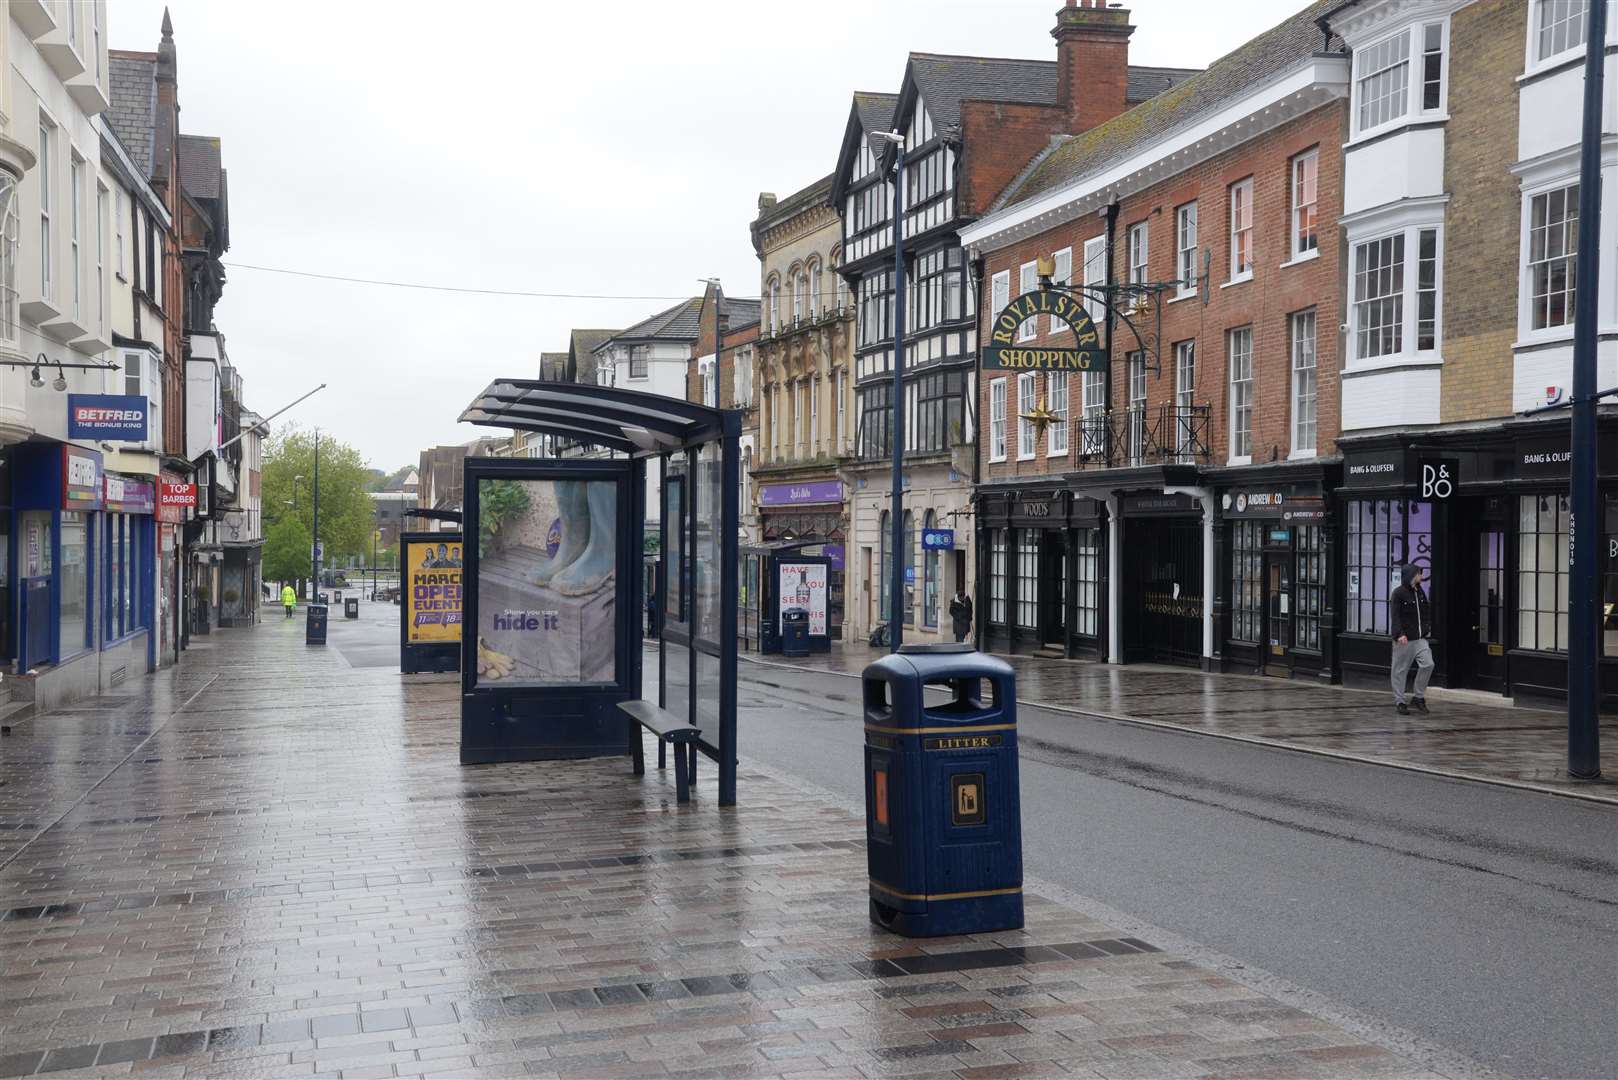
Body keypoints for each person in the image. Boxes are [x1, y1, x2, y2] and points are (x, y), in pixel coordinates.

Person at [1390, 563, 1434, 715]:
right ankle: (1400, 701)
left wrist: (1427, 628)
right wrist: (1399, 634)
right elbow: (1395, 616)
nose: (1421, 576)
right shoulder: (1398, 593)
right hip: (1404, 639)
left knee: (1428, 664)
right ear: (1412, 575)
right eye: (1419, 574)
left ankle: (1418, 697)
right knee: (1400, 671)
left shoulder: (1420, 592)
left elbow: (1426, 611)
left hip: (1420, 638)